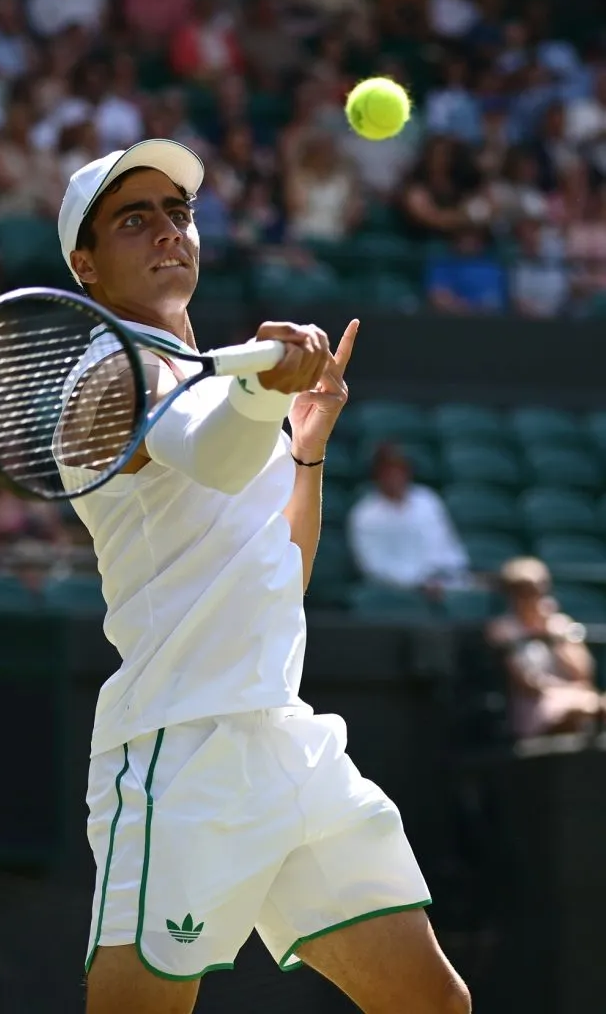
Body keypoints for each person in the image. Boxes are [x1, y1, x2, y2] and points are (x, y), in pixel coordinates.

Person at [56, 138, 470, 1014]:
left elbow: (285, 569)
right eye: (136, 219)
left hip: (286, 740)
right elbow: (208, 453)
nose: (168, 231)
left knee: (434, 1005)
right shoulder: (104, 374)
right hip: (178, 749)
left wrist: (306, 449)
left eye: (179, 212)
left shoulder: (223, 391)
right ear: (86, 266)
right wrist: (262, 395)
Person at [487, 558, 605, 738]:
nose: (534, 598)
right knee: (582, 709)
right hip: (533, 706)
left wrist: (553, 636)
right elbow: (526, 683)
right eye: (524, 592)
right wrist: (567, 692)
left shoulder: (560, 624)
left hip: (575, 696)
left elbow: (583, 672)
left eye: (539, 590)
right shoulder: (503, 629)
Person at [348, 443, 470, 591]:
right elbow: (373, 566)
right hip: (396, 591)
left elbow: (448, 548)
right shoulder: (364, 515)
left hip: (441, 583)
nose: (395, 476)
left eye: (400, 470)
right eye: (388, 471)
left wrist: (445, 578)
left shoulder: (428, 500)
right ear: (377, 474)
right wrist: (420, 583)